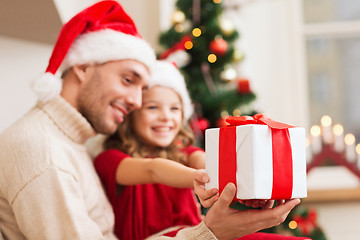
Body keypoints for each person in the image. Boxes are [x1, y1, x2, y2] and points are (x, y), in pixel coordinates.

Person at [0, 1, 300, 239]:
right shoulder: (43, 151)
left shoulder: (72, 145)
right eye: (128, 79)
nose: (136, 102)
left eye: (143, 89)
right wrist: (210, 234)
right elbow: (154, 171)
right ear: (83, 67)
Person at [94, 60, 208, 240]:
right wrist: (200, 179)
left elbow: (204, 160)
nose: (166, 117)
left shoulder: (183, 153)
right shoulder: (110, 159)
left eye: (174, 108)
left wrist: (222, 172)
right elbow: (152, 169)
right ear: (131, 115)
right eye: (153, 107)